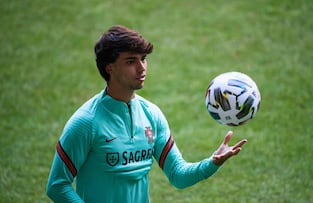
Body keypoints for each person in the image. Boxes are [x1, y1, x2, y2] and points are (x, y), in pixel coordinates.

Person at [46, 25, 248, 203]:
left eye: (143, 59)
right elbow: (57, 185)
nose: (142, 68)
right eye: (130, 61)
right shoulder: (86, 123)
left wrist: (213, 162)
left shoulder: (152, 115)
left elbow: (178, 175)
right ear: (110, 67)